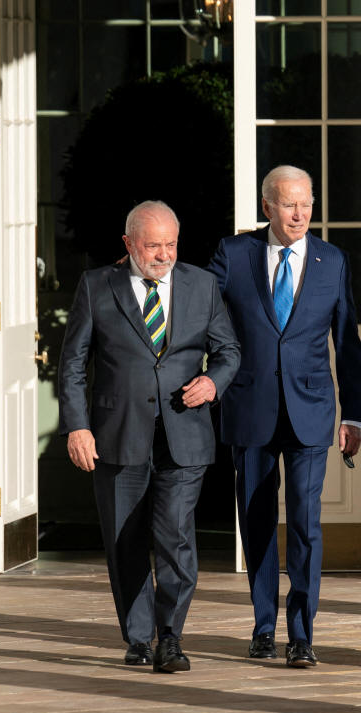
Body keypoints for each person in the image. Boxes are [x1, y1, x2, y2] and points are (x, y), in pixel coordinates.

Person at [59, 200, 240, 671]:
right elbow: (73, 364)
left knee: (176, 538)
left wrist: (213, 382)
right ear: (128, 243)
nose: (163, 255)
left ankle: (171, 637)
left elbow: (229, 351)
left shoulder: (202, 285)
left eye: (171, 244)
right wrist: (77, 426)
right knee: (125, 540)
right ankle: (139, 637)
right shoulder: (97, 286)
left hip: (184, 434)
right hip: (117, 435)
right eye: (152, 245)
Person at [207, 165, 361, 668]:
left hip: (310, 412)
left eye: (306, 204)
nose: (299, 214)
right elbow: (200, 312)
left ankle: (301, 635)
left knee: (304, 523)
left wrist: (354, 414)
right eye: (289, 204)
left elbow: (347, 343)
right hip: (250, 409)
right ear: (267, 207)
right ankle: (262, 629)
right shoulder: (234, 254)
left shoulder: (331, 261)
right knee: (255, 523)